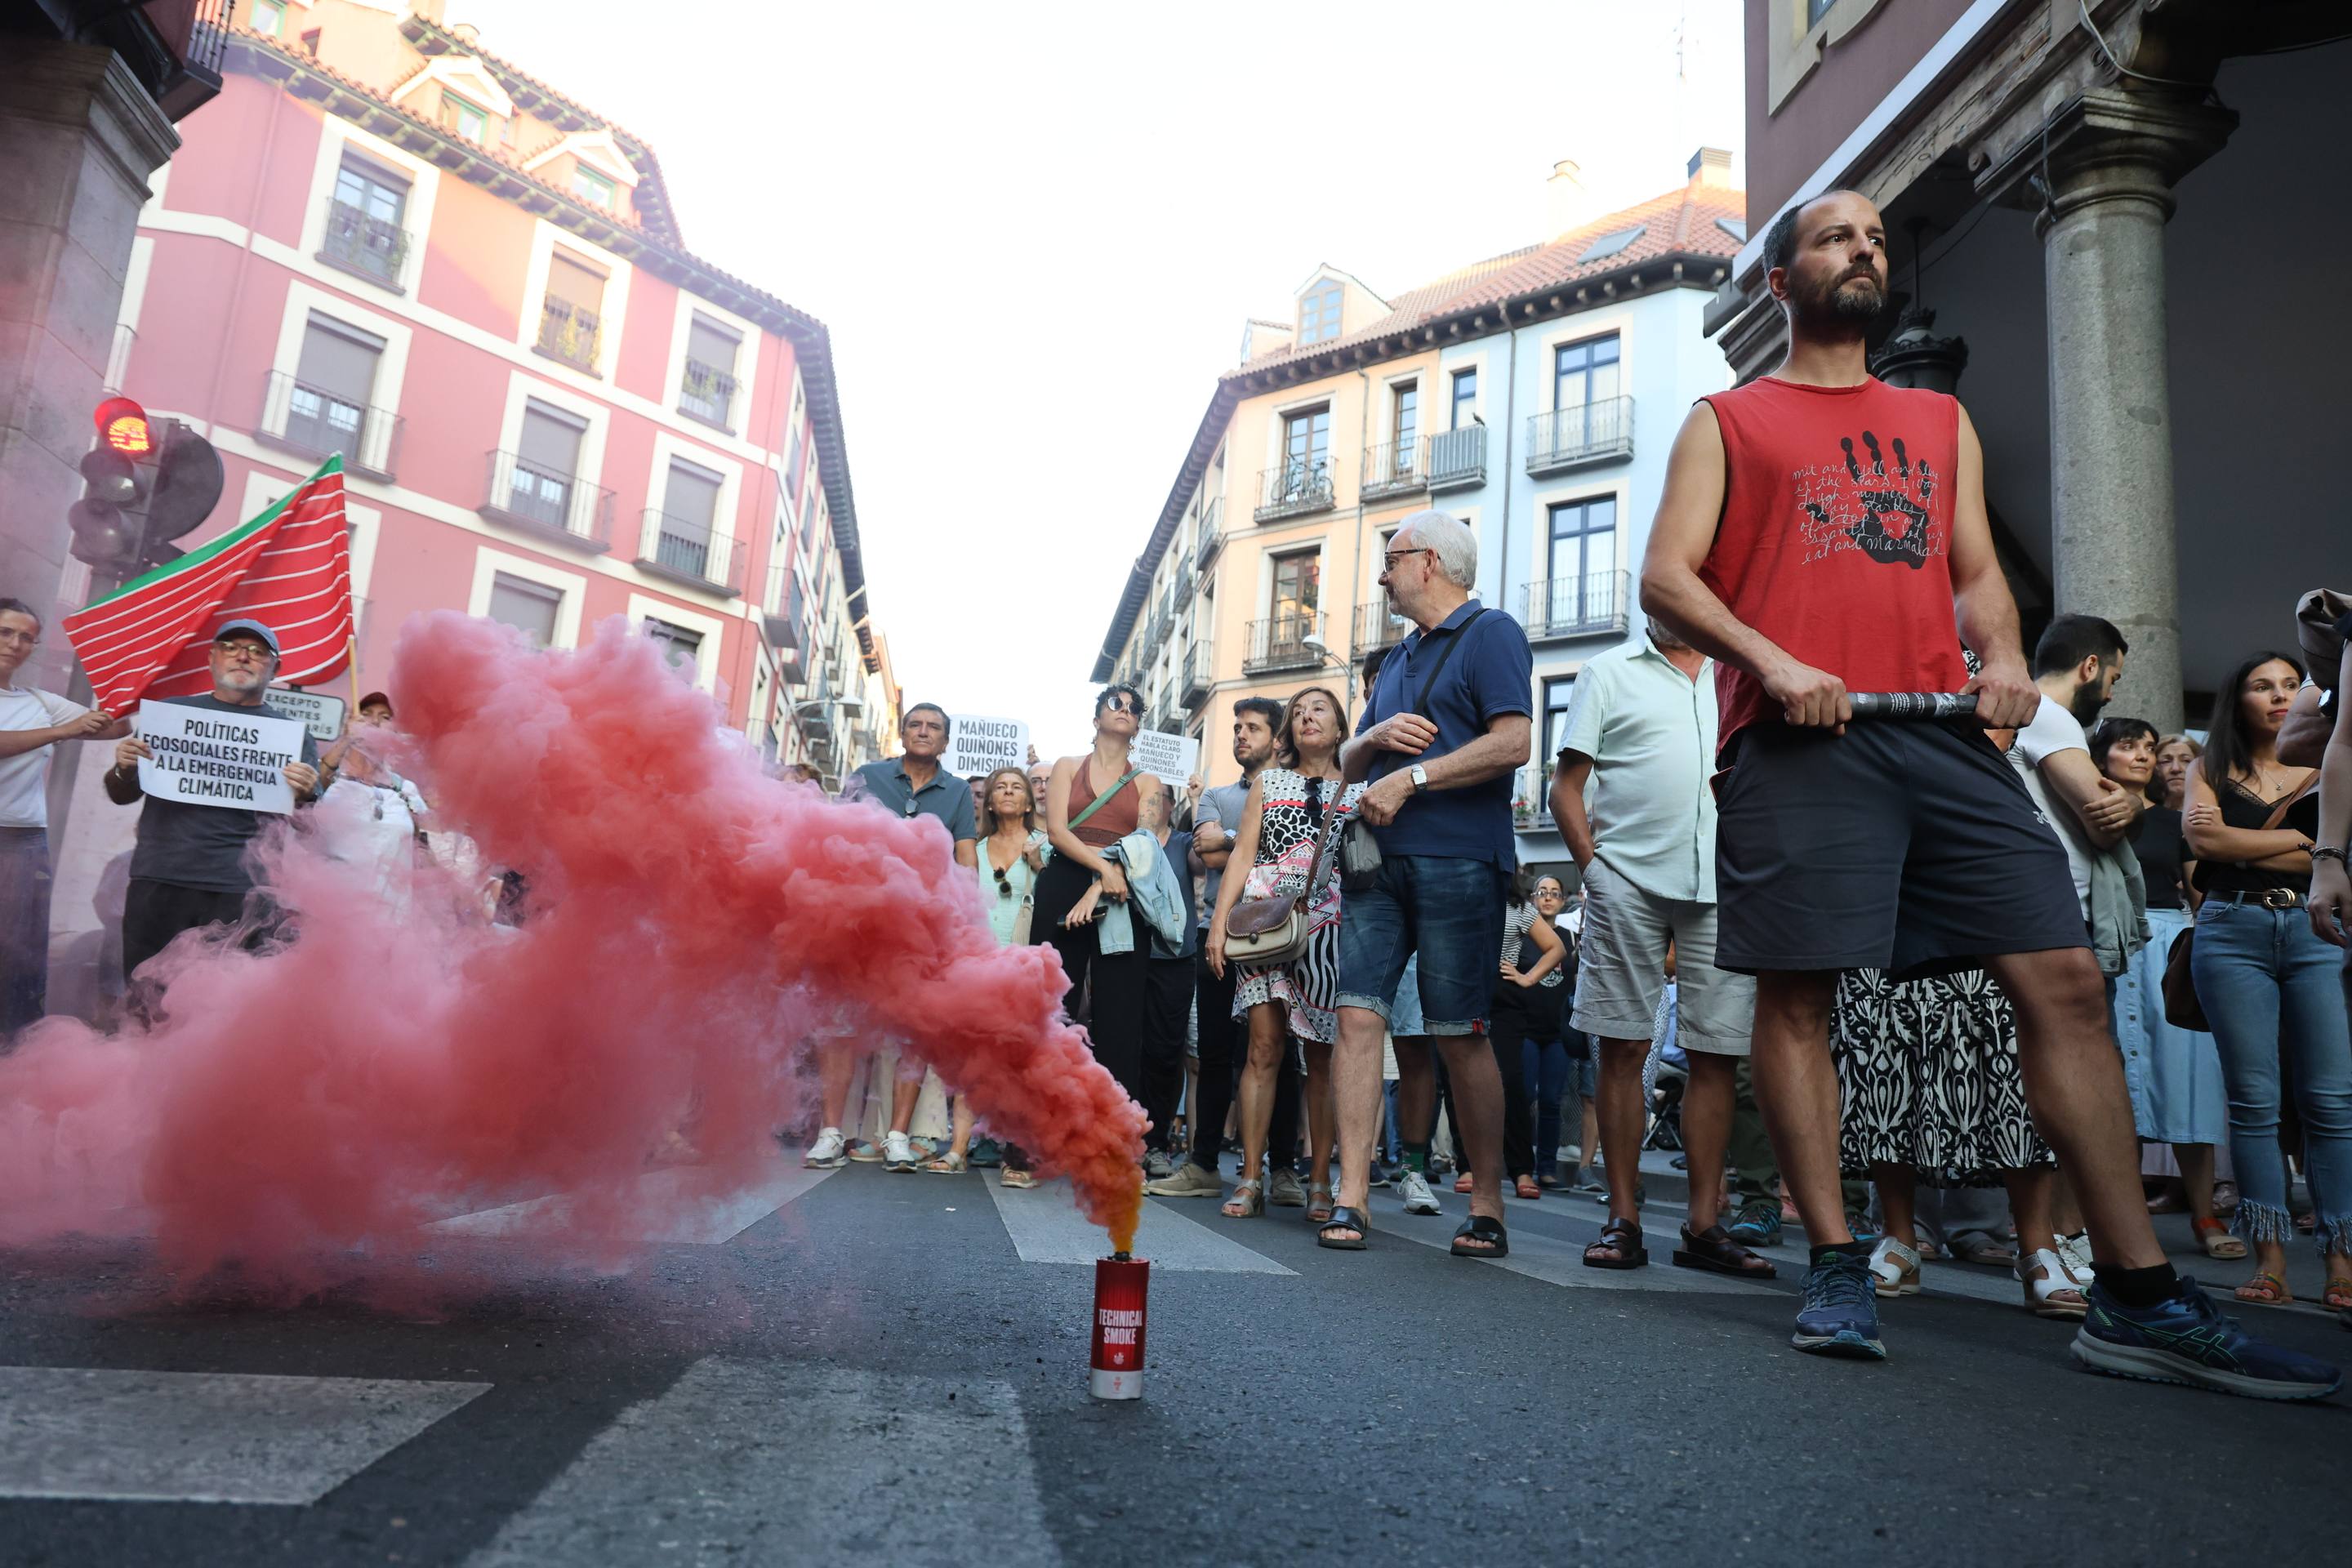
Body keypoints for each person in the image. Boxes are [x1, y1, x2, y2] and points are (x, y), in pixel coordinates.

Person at [1637, 186, 2333, 1395]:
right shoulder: (1729, 420)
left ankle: (2135, 1293)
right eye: (1831, 238)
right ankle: (1839, 1259)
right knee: (1799, 1001)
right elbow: (1666, 578)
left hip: (1944, 737)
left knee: (2061, 976)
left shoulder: (1935, 422)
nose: (1862, 247)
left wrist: (2006, 661)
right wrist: (1776, 661)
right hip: (1800, 738)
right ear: (1780, 281)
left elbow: (1973, 580)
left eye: (1871, 236)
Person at [1328, 510, 1535, 1258]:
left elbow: (1515, 743)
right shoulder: (1397, 659)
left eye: (1392, 559)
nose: (1381, 575)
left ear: (1431, 564)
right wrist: (1373, 739)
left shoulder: (1494, 633)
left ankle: (1486, 1203)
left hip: (1459, 859)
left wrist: (1414, 776)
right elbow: (1348, 764)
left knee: (1460, 1037)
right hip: (1374, 866)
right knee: (1356, 1020)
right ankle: (1351, 1195)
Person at [1551, 618, 1770, 1276]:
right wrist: (1595, 872)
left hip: (1725, 882)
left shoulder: (1741, 672)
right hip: (1627, 880)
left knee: (1718, 1053)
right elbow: (1566, 788)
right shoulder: (1608, 671)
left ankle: (1704, 1224)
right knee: (1622, 1046)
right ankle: (1623, 1216)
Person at [2185, 653, 2350, 1312]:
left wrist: (2235, 838)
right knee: (2253, 1102)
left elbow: (2225, 841)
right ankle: (2270, 1260)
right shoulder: (2210, 765)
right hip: (2231, 929)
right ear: (2238, 699)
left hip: (2317, 932)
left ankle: (2342, 1260)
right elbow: (2205, 849)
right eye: (2263, 686)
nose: (2280, 696)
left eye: (2291, 685)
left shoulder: (2328, 763)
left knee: (2332, 1103)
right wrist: (2310, 849)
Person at [1833, 964, 2086, 1317]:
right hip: (1889, 912)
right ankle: (1898, 1236)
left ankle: (2038, 1246)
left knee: (2009, 1036)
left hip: (1995, 914)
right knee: (1887, 1036)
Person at [104, 619, 324, 1010]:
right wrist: (123, 767)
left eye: (258, 651)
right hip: (162, 879)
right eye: (231, 646)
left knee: (227, 1010)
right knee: (146, 999)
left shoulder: (292, 735)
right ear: (211, 658)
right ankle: (140, 1071)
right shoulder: (169, 716)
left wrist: (308, 792)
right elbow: (121, 794)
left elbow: (307, 823)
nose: (243, 656)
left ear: (276, 669)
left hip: (243, 890)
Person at [1204, 687, 1363, 1226]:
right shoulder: (1269, 782)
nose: (1305, 717)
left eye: (1319, 709)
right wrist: (1219, 929)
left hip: (1331, 931)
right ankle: (1250, 1178)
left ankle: (1320, 1180)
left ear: (1341, 727)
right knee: (1262, 1050)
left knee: (1322, 1058)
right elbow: (1242, 855)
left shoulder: (1360, 787)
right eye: (1297, 712)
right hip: (1266, 927)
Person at [1146, 697, 1307, 1204]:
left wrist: (1236, 839)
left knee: (1281, 1054)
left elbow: (1234, 848)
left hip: (1279, 935)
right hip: (1220, 933)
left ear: (1278, 738)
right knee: (1213, 1054)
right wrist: (1255, 836)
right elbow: (1208, 851)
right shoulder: (1213, 795)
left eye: (1252, 727)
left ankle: (1283, 1170)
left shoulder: (1303, 790)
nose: (1240, 734)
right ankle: (1203, 1164)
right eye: (1237, 727)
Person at [808, 703, 977, 1171]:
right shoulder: (866, 776)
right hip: (857, 924)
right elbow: (830, 839)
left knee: (912, 1031)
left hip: (921, 931)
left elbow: (967, 861)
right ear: (902, 734)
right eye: (916, 725)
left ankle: (898, 1136)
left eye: (934, 728)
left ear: (946, 742)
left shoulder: (958, 792)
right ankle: (830, 1133)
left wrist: (964, 921)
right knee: (838, 1027)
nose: (924, 732)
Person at [2094, 715, 2238, 1261]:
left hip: (2166, 946)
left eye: (2150, 747)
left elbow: (2201, 897)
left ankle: (2204, 1213)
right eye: (2129, 745)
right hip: (2106, 943)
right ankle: (2115, 1219)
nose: (2143, 755)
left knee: (2187, 1077)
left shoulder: (2173, 821)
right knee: (2110, 1086)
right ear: (2102, 753)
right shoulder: (2083, 811)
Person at [1036, 684, 1165, 1119]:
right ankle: (1034, 1136)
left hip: (1122, 890)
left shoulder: (1149, 781)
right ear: (1096, 721)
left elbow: (1144, 843)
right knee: (1051, 1007)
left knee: (1120, 1017)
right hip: (1064, 880)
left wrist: (1104, 881)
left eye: (1133, 708)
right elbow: (1057, 831)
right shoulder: (1067, 767)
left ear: (1137, 727)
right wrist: (1099, 871)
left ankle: (1112, 1137)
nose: (1125, 710)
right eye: (1115, 703)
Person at [0, 596, 127, 1036]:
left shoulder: (37, 700)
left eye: (26, 638)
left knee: (19, 958)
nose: (16, 644)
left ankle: (12, 1056)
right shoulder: (51, 718)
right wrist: (62, 731)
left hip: (24, 845)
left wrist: (124, 685)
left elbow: (113, 727)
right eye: (6, 633)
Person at [921, 765, 1042, 1187]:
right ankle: (957, 1150)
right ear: (989, 801)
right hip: (980, 962)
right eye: (1000, 789)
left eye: (1017, 788)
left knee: (1020, 1062)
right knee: (973, 1057)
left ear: (1030, 802)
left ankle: (1019, 1157)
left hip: (1027, 965)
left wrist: (1043, 865)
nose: (1008, 794)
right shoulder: (974, 847)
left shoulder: (1046, 846)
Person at [1477, 866, 1568, 1201]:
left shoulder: (1518, 907)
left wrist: (1527, 978)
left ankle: (1521, 1169)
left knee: (1513, 1085)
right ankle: (1467, 1166)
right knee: (1462, 1078)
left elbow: (1556, 948)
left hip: (1505, 999)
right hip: (1468, 989)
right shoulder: (1464, 897)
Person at [314, 692, 432, 912]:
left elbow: (419, 850)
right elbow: (312, 789)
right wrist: (347, 740)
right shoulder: (332, 776)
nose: (375, 721)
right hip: (334, 915)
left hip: (392, 918)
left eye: (385, 717)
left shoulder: (406, 789)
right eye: (365, 714)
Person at [1136, 782, 1196, 1181]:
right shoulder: (1127, 842)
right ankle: (1126, 1139)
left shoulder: (1185, 843)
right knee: (1128, 1049)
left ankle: (1156, 1143)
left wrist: (1201, 796)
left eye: (1158, 796)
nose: (1151, 802)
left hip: (1175, 959)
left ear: (1172, 805)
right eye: (1144, 796)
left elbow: (1208, 860)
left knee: (1166, 1052)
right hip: (1129, 955)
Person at [1525, 875, 1582, 1188]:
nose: (1548, 898)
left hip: (1558, 1032)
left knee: (1551, 1101)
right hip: (1525, 1029)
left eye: (1555, 894)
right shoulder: (1522, 934)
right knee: (1522, 1097)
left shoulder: (1570, 939)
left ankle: (1546, 1167)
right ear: (1533, 898)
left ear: (1562, 901)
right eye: (1542, 892)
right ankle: (1519, 1164)